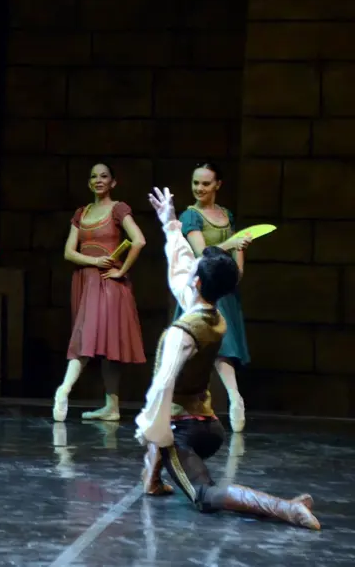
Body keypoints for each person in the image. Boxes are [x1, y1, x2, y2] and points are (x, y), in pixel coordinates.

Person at [135, 187, 319, 531]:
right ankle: (153, 479)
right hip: (209, 426)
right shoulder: (214, 316)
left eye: (196, 269)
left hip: (184, 429)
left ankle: (286, 508)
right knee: (161, 435)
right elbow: (182, 268)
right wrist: (170, 223)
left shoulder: (183, 331)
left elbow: (162, 387)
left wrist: (150, 431)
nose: (190, 268)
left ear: (198, 282)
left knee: (203, 494)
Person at [52, 163, 147, 422]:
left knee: (98, 339)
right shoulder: (81, 213)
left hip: (108, 284)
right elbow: (69, 252)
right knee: (92, 337)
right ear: (89, 182)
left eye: (104, 176)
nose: (98, 180)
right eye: (94, 176)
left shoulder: (118, 209)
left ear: (113, 182)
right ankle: (111, 407)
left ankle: (64, 390)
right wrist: (94, 261)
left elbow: (139, 240)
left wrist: (121, 270)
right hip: (86, 280)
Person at [175, 163, 250, 432]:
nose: (199, 188)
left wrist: (237, 269)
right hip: (201, 289)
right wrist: (231, 244)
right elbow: (202, 252)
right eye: (196, 183)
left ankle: (234, 398)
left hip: (223, 290)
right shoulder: (190, 216)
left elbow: (238, 247)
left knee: (223, 347)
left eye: (205, 183)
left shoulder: (226, 214)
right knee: (191, 348)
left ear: (218, 185)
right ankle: (184, 405)